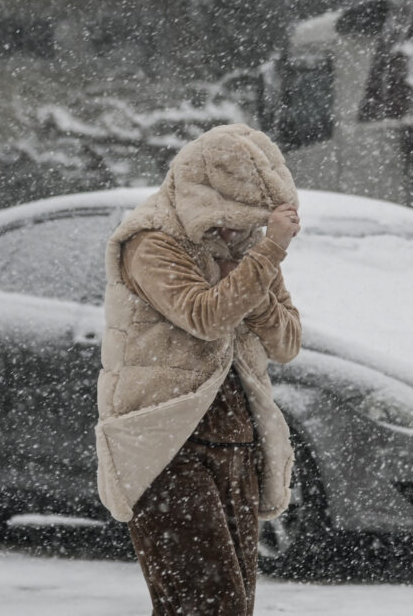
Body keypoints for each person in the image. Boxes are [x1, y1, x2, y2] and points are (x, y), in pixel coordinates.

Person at [95, 124, 302, 615]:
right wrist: (266, 256)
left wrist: (254, 277)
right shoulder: (150, 242)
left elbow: (287, 341)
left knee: (226, 606)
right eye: (232, 222)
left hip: (237, 439)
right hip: (166, 444)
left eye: (252, 226)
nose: (239, 236)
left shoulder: (248, 249)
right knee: (208, 605)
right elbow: (204, 316)